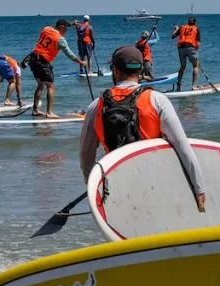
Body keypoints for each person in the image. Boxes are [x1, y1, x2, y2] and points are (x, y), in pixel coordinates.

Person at [79, 46, 205, 212]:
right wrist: (199, 189)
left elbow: (86, 155)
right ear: (141, 70)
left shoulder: (96, 106)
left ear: (115, 71)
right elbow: (182, 147)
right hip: (155, 182)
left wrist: (91, 184)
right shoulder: (157, 100)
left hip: (118, 183)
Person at [22, 19, 86, 117]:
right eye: (65, 30)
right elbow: (70, 55)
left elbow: (57, 28)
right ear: (61, 28)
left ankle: (35, 110)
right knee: (50, 86)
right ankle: (49, 112)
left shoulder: (46, 29)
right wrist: (81, 62)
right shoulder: (60, 39)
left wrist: (71, 24)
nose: (65, 32)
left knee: (40, 85)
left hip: (33, 59)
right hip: (43, 61)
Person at [171, 16, 201, 91]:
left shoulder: (182, 27)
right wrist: (195, 50)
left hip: (181, 48)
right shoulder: (196, 28)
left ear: (188, 22)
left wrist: (176, 30)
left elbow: (172, 36)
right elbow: (198, 44)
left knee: (183, 66)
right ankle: (193, 86)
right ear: (195, 23)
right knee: (195, 66)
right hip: (190, 47)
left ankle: (178, 86)